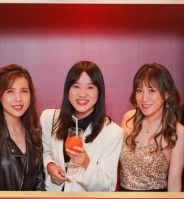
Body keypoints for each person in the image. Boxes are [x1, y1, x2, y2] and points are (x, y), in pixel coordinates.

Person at [41, 61, 123, 192]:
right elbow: (45, 152)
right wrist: (50, 166)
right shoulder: (49, 118)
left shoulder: (113, 133)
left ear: (99, 92)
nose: (82, 94)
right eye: (76, 86)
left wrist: (86, 163)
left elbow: (108, 187)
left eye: (90, 87)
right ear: (68, 89)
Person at [119, 63, 184, 192]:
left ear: (166, 94)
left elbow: (174, 183)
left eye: (151, 90)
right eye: (139, 90)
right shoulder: (128, 118)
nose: (144, 98)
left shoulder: (178, 131)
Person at [0, 64, 45, 191]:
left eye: (24, 91)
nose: (18, 98)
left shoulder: (35, 132)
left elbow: (39, 181)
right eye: (10, 91)